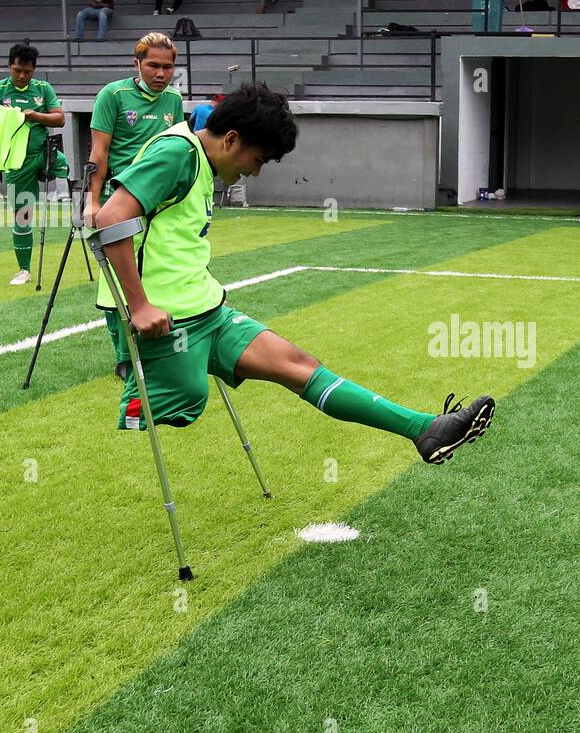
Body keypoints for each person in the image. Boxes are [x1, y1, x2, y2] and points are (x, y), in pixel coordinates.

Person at [91, 82, 495, 464]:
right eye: (259, 159)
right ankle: (134, 384)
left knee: (299, 365)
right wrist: (139, 305)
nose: (256, 172)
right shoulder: (176, 153)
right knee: (185, 403)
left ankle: (425, 430)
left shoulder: (199, 146)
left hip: (204, 310)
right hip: (162, 320)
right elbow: (109, 220)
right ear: (231, 139)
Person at [86, 31, 185, 378]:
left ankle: (159, 344)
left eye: (168, 67)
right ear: (137, 64)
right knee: (116, 278)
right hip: (122, 199)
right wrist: (92, 201)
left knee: (157, 274)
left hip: (161, 202)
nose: (161, 73)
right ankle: (125, 357)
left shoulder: (173, 100)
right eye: (153, 66)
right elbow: (99, 155)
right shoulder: (112, 95)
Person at [0, 43, 65, 285]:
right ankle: (24, 270)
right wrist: (3, 114)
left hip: (43, 153)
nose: (22, 76)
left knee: (67, 166)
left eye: (27, 71)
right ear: (9, 66)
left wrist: (35, 115)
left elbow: (59, 119)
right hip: (17, 162)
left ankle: (80, 220)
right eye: (17, 70)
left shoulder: (43, 89)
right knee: (23, 215)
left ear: (34, 70)